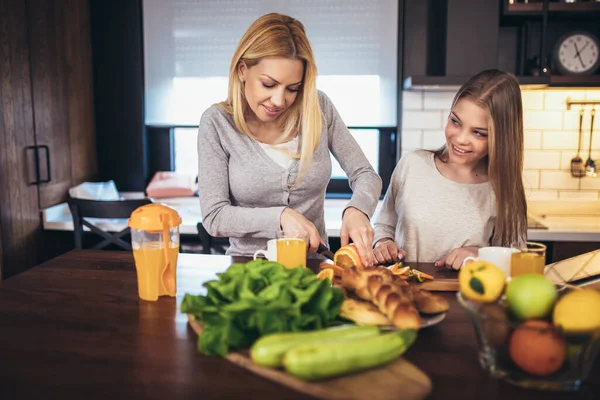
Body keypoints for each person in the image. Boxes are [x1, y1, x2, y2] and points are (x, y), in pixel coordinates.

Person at [197, 13, 381, 266]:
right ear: (242, 70)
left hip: (314, 269)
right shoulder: (217, 122)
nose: (279, 100)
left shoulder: (318, 107)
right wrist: (281, 216)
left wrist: (358, 209)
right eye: (268, 84)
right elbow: (215, 217)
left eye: (293, 88)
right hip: (247, 271)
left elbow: (365, 174)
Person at [372, 69, 527, 270]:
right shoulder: (412, 165)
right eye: (455, 121)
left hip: (469, 298)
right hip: (403, 295)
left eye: (479, 133)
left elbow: (517, 261)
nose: (461, 139)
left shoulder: (502, 190)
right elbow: (384, 226)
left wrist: (479, 255)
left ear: (502, 139)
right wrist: (382, 244)